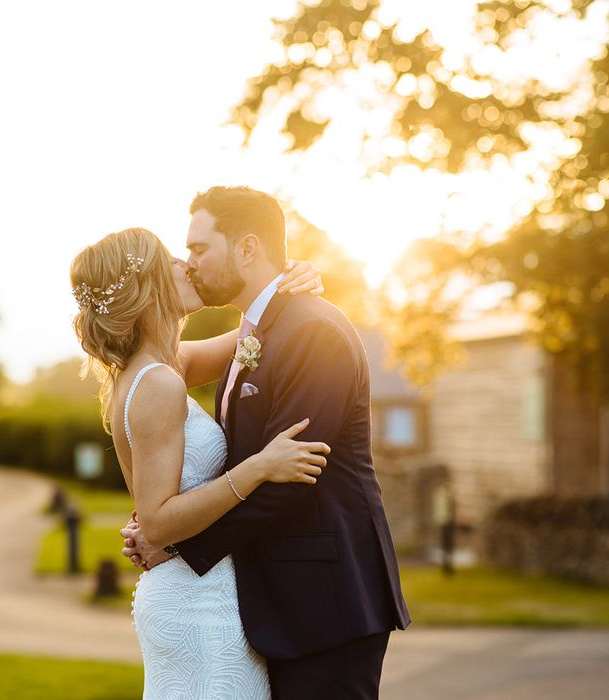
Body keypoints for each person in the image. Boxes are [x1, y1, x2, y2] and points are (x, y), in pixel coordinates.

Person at [123, 186, 411, 700]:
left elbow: (293, 478)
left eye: (199, 249)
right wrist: (167, 522)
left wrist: (177, 542)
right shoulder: (257, 329)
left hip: (329, 600)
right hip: (277, 602)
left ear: (248, 249)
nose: (190, 265)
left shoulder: (313, 331)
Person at [70, 226, 330, 699]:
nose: (185, 264)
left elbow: (255, 330)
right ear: (148, 285)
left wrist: (292, 281)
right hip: (197, 604)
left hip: (200, 588)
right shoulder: (158, 383)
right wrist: (258, 467)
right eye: (170, 258)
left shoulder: (169, 365)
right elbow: (157, 520)